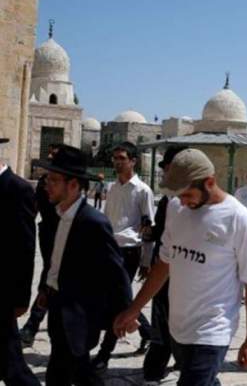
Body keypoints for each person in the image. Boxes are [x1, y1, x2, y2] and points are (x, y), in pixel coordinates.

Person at [114, 148, 247, 386]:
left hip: (214, 329)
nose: (182, 201)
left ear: (210, 182)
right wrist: (134, 309)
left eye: (187, 194)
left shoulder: (238, 219)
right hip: (179, 327)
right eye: (178, 195)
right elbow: (164, 264)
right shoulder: (176, 208)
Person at [37, 146, 132, 385]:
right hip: (58, 305)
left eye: (54, 180)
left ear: (73, 185)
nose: (47, 185)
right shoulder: (56, 215)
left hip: (81, 314)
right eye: (48, 178)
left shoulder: (93, 222)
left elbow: (116, 271)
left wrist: (127, 312)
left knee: (65, 371)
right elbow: (55, 259)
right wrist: (45, 289)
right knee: (72, 370)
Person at [93, 141, 154, 372]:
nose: (118, 162)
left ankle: (103, 355)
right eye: (115, 158)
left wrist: (147, 261)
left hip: (129, 251)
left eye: (122, 158)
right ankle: (148, 332)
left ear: (133, 161)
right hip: (110, 249)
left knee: (117, 303)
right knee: (121, 300)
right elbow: (107, 220)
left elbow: (148, 226)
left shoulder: (142, 190)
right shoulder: (112, 187)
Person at [142, 146, 186, 385]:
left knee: (174, 318)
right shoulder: (167, 201)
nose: (165, 173)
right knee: (162, 315)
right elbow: (162, 234)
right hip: (163, 267)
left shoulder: (188, 202)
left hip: (182, 271)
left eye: (168, 168)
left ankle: (167, 361)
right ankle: (157, 365)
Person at [0, 138, 40, 386]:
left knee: (12, 365)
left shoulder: (18, 189)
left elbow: (25, 248)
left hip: (2, 292)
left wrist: (21, 298)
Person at [20, 144, 62, 347]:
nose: (49, 157)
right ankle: (33, 323)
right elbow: (35, 208)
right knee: (49, 276)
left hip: (65, 234)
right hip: (47, 234)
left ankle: (33, 324)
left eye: (54, 156)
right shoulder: (44, 183)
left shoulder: (69, 183)